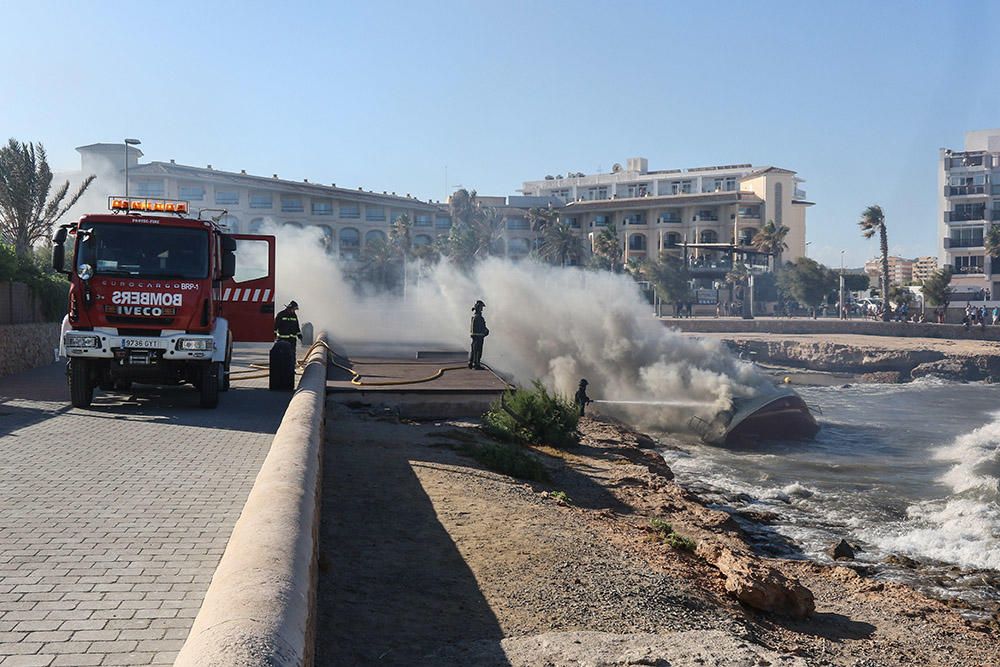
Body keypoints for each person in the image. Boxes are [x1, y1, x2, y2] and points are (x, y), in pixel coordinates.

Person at [469, 300, 489, 370]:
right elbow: (482, 327)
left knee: (473, 350)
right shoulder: (479, 317)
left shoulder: (474, 316)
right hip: (479, 336)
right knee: (478, 351)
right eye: (481, 307)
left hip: (475, 336)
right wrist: (486, 331)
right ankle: (476, 365)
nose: (482, 309)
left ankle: (470, 363)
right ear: (479, 307)